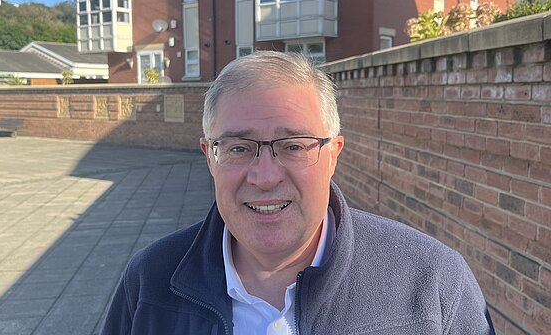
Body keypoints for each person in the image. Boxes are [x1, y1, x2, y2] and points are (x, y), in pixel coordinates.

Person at [101, 51, 495, 334]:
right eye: (239, 148)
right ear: (210, 157)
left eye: (293, 145)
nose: (266, 176)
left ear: (333, 155)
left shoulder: (432, 282)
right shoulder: (150, 281)